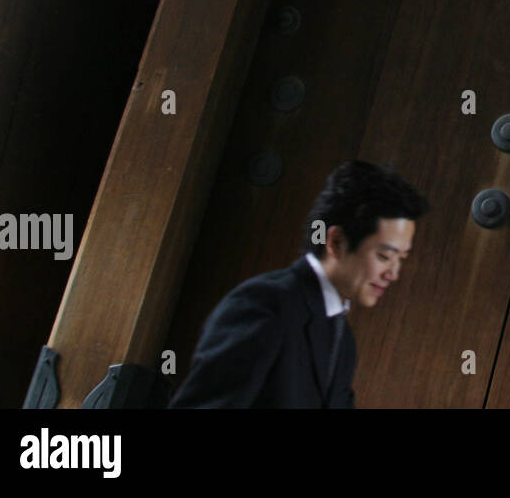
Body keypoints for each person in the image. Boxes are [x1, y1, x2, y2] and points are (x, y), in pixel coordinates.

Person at [170, 160, 428, 408]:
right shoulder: (264, 305)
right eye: (384, 256)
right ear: (336, 242)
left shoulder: (342, 337)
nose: (393, 274)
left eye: (401, 259)